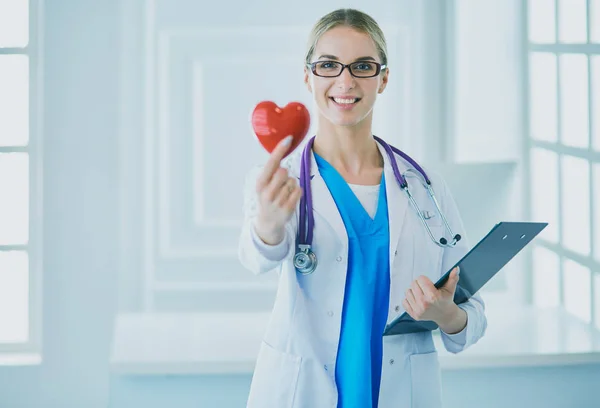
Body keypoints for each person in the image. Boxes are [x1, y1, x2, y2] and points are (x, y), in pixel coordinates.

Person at [238, 8, 487, 408]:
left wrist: (445, 315)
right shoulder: (279, 179)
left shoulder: (425, 188)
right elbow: (256, 258)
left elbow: (471, 315)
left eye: (363, 66)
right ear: (308, 76)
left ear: (383, 78)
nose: (345, 80)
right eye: (328, 65)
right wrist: (267, 225)